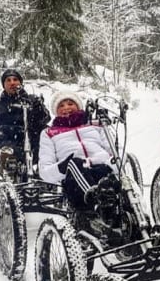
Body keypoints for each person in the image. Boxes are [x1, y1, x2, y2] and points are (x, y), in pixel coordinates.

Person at [38, 91, 118, 221]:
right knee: (75, 162)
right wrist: (62, 167)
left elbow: (117, 153)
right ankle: (98, 202)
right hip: (74, 178)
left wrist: (107, 162)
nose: (66, 108)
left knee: (113, 173)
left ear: (78, 106)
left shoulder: (96, 125)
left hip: (102, 168)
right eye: (61, 106)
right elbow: (45, 172)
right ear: (56, 111)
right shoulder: (49, 133)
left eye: (70, 103)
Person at [0, 69, 51, 173]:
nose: (12, 83)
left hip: (32, 142)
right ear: (4, 85)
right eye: (8, 80)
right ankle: (10, 174)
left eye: (15, 79)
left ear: (20, 83)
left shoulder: (31, 102)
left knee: (46, 138)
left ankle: (43, 173)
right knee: (10, 156)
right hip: (8, 144)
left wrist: (38, 108)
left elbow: (45, 119)